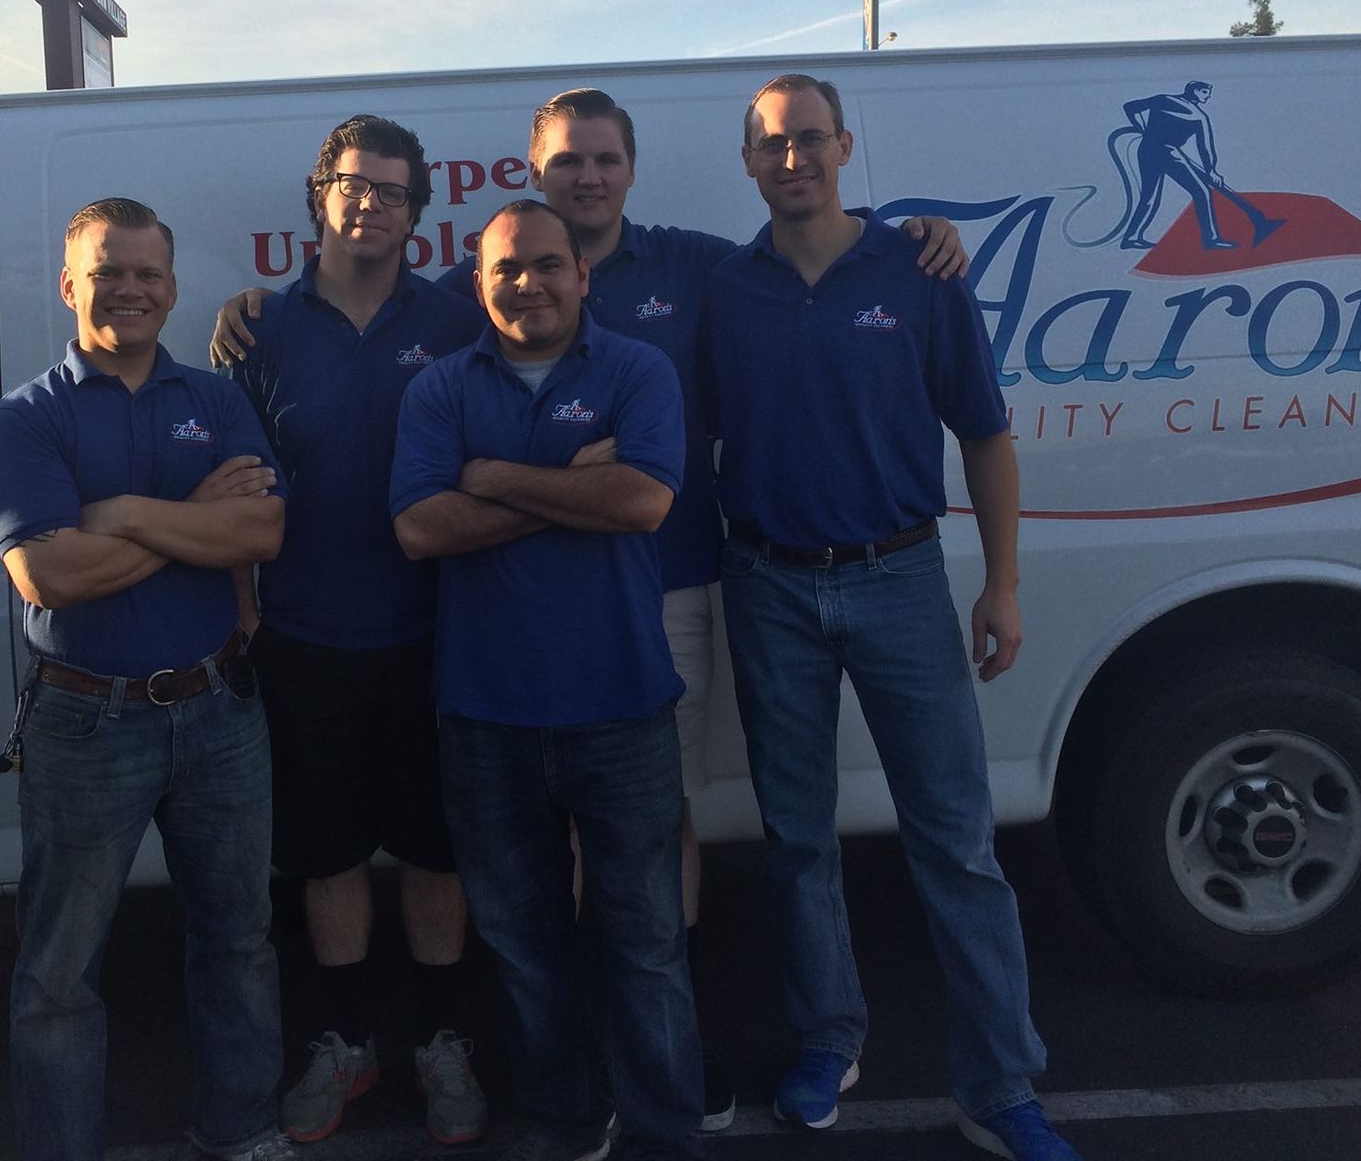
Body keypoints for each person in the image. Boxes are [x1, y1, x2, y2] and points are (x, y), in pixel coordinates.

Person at [211, 88, 967, 1133]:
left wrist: (912, 236)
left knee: (634, 853)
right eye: (569, 161)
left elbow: (801, 259)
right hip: (423, 636)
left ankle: (654, 1059)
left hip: (638, 601)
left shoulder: (672, 283)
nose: (588, 177)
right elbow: (395, 516)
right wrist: (564, 481)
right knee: (434, 865)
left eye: (606, 158)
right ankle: (529, 1078)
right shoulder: (368, 327)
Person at [700, 76, 1080, 1161]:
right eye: (772, 144)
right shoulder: (728, 288)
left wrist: (1001, 585)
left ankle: (1001, 1087)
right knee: (798, 842)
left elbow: (986, 435)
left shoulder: (919, 270)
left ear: (844, 147)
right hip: (767, 583)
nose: (792, 160)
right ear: (748, 161)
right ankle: (829, 1040)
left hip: (900, 579)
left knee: (956, 843)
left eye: (809, 139)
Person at [0, 197, 293, 1161]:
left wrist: (121, 513)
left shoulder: (218, 400)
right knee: (59, 976)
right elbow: (52, 575)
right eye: (109, 271)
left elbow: (263, 531)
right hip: (86, 722)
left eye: (148, 273)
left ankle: (242, 1131)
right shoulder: (22, 419)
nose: (131, 289)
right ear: (70, 284)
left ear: (173, 287)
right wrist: (190, 514)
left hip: (217, 709)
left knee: (239, 944)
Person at [391, 200, 701, 1161]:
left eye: (547, 266)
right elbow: (418, 530)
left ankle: (663, 1134)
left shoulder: (638, 369)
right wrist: (569, 483)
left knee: (647, 948)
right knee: (528, 951)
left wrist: (491, 476)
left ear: (583, 275)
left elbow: (644, 500)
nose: (528, 284)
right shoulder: (439, 390)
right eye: (506, 270)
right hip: (486, 714)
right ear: (476, 282)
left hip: (622, 705)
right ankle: (570, 1125)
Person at [225, 116, 489, 1145]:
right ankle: (344, 1044)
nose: (368, 203)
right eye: (351, 184)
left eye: (390, 190)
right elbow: (233, 490)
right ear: (317, 194)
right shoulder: (256, 333)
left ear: (418, 211)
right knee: (326, 856)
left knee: (435, 853)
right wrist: (245, 611)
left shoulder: (462, 321)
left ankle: (440, 1040)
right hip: (307, 640)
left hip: (437, 636)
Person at [1120, 81, 1278, 250]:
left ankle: (1131, 237)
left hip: (1149, 148)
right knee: (1201, 191)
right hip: (1167, 152)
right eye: (1204, 92)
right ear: (1193, 90)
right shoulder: (1196, 115)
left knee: (1150, 196)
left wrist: (1142, 128)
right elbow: (1205, 147)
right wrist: (1211, 171)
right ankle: (1211, 240)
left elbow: (1130, 107)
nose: (1208, 96)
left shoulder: (1166, 101)